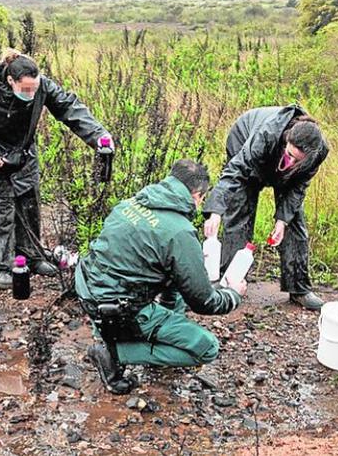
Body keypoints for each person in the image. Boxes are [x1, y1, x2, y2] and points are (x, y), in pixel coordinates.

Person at [75, 159, 247, 393]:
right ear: (196, 195)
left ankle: (128, 331)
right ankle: (114, 353)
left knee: (171, 275)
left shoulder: (131, 203)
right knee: (207, 348)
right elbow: (203, 301)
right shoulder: (179, 231)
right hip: (120, 309)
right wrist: (233, 294)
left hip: (88, 291)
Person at [0, 49, 110, 290]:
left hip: (24, 155)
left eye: (35, 88)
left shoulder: (42, 86)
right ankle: (4, 266)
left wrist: (99, 135)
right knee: (0, 211)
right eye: (26, 89)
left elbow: (69, 108)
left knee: (30, 205)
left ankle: (33, 256)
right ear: (11, 81)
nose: (32, 93)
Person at [202, 105, 329, 310]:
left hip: (284, 166)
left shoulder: (318, 151)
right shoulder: (267, 134)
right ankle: (229, 282)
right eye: (289, 154)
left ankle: (298, 288)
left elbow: (297, 188)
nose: (290, 162)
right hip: (244, 140)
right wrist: (216, 210)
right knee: (240, 212)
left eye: (297, 160)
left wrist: (282, 220)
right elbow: (235, 172)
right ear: (287, 139)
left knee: (294, 221)